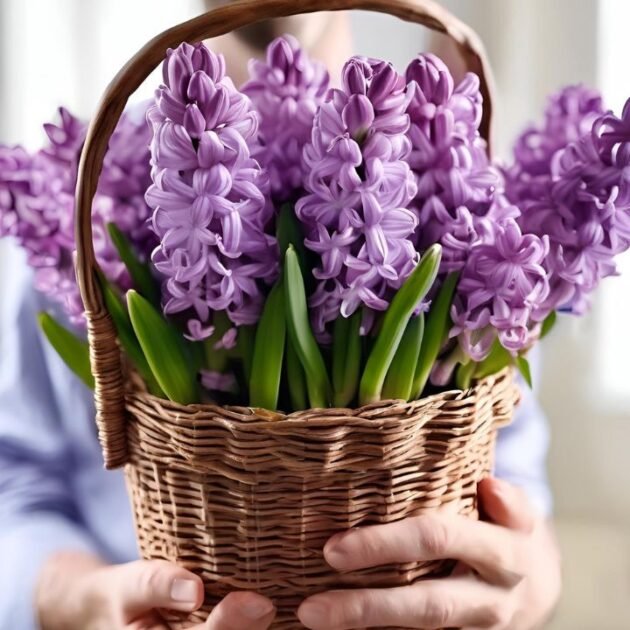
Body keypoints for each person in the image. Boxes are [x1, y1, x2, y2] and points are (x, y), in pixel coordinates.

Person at [0, 6, 561, 630]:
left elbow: (512, 480)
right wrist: (73, 597)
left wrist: (524, 581)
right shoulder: (99, 197)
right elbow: (14, 485)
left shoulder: (457, 203)